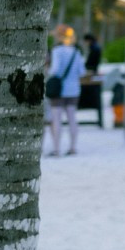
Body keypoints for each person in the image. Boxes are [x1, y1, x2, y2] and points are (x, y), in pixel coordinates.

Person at [45, 25, 86, 157]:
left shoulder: (57, 51)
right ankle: (72, 148)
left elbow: (55, 70)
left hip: (59, 90)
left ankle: (57, 149)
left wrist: (48, 71)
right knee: (72, 119)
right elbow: (82, 72)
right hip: (74, 90)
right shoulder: (76, 52)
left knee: (56, 120)